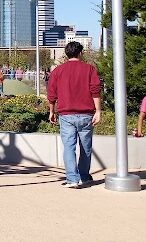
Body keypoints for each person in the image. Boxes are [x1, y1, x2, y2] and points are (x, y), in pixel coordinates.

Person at [47, 41, 101, 188]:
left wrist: (52, 110)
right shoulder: (89, 69)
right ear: (80, 53)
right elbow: (95, 90)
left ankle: (72, 178)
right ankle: (84, 176)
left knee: (69, 147)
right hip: (86, 114)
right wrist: (98, 111)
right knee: (86, 148)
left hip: (66, 114)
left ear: (66, 54)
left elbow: (52, 93)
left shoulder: (58, 71)